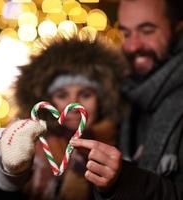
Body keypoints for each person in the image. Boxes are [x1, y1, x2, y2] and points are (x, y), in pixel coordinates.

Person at [0, 34, 126, 200]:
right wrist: (7, 166)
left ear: (102, 100)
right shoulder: (29, 142)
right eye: (62, 95)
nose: (73, 105)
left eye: (86, 94)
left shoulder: (121, 147)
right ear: (49, 101)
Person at [70, 0, 183, 199]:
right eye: (126, 33)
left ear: (177, 27)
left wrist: (124, 180)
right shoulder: (118, 94)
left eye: (147, 31)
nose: (132, 46)